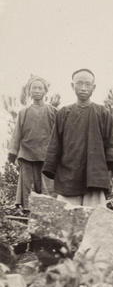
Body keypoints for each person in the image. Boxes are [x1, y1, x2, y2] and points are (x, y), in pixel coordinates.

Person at [42, 69, 113, 207]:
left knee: (94, 222)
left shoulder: (103, 113)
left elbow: (111, 145)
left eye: (88, 84)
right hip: (68, 178)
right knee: (66, 223)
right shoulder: (63, 113)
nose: (83, 88)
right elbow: (55, 145)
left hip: (95, 178)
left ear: (93, 87)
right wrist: (53, 176)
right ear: (72, 86)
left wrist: (106, 175)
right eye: (79, 83)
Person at [8, 76, 57, 211]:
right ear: (29, 91)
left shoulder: (53, 111)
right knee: (27, 186)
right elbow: (17, 133)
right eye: (33, 88)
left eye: (40, 88)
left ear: (45, 91)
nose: (36, 91)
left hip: (47, 154)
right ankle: (27, 211)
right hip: (26, 154)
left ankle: (48, 211)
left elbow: (60, 134)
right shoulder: (23, 112)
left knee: (48, 186)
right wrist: (14, 154)